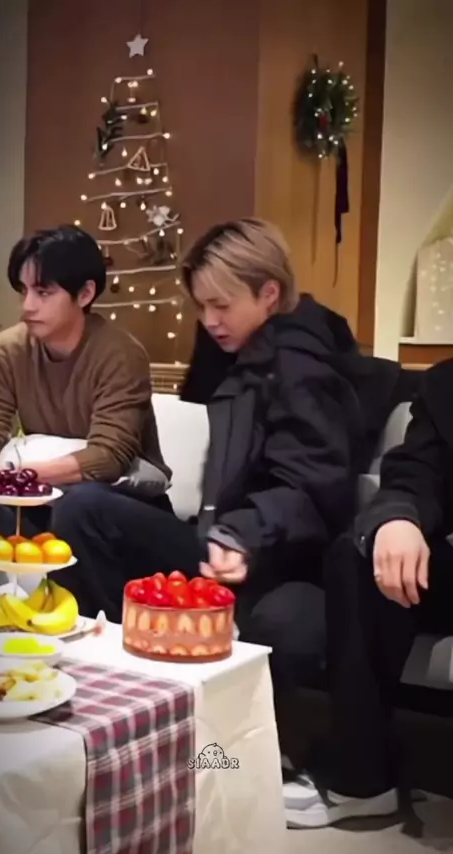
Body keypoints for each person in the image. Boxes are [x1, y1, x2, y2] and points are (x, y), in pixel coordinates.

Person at [49, 218, 366, 650]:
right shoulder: (237, 355)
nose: (210, 321)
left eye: (221, 305)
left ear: (269, 294)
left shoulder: (303, 368)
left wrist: (241, 534)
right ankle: (114, 653)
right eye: (201, 307)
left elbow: (312, 485)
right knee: (83, 508)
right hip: (220, 540)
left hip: (276, 555)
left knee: (287, 622)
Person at [283, 361, 453, 828]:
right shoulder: (446, 384)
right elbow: (417, 472)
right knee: (358, 556)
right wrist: (398, 517)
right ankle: (362, 781)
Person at [0, 224, 172, 619]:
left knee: (80, 505)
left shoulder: (119, 353)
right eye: (23, 291)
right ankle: (29, 616)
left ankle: (99, 626)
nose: (27, 306)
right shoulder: (8, 349)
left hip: (120, 504)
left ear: (85, 294)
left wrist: (13, 477)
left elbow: (109, 457)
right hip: (47, 500)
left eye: (43, 292)